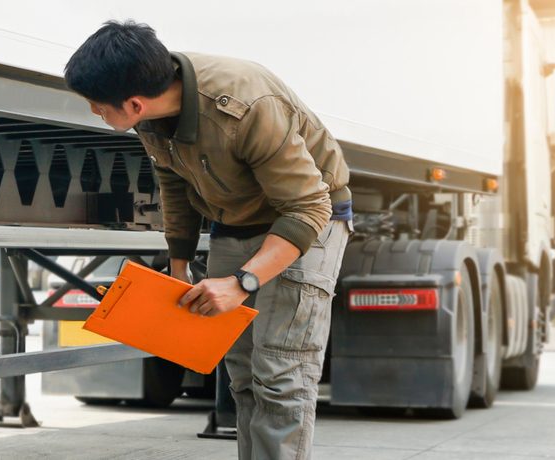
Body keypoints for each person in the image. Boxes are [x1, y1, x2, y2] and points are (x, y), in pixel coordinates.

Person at [63, 20, 352, 460]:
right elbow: (172, 182)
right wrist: (178, 267)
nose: (95, 113)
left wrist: (241, 284)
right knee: (241, 373)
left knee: (281, 374)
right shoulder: (153, 112)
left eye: (98, 106)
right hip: (234, 222)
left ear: (134, 103)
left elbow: (309, 208)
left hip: (306, 223)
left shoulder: (248, 105)